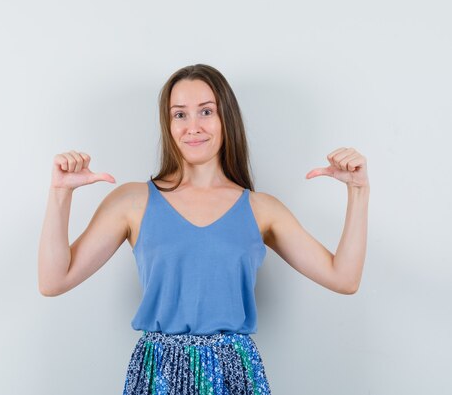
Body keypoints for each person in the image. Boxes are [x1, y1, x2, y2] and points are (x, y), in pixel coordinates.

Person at [37, 64, 370, 395]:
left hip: (234, 374)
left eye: (206, 111)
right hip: (159, 374)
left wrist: (358, 191)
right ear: (167, 124)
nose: (192, 126)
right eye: (179, 114)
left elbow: (344, 278)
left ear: (227, 119)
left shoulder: (261, 209)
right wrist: (59, 193)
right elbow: (54, 281)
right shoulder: (132, 201)